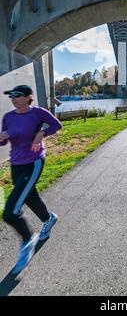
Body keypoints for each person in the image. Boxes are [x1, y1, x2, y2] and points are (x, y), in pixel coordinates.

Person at [0, 85, 62, 275]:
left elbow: (56, 125)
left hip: (33, 162)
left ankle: (28, 241)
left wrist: (42, 133)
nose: (14, 99)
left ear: (29, 97)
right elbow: (2, 140)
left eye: (18, 95)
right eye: (11, 96)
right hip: (16, 164)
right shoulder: (8, 117)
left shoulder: (38, 113)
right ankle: (48, 218)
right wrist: (1, 138)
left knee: (10, 212)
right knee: (29, 196)